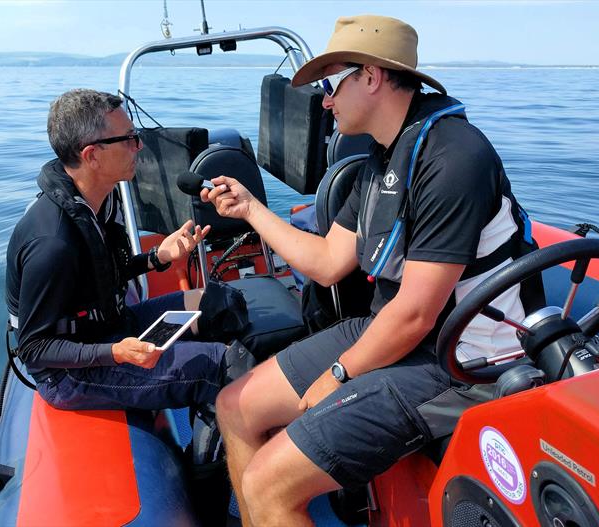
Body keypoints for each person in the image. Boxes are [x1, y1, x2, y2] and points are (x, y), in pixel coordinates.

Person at [202, 14, 542, 526]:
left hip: (459, 359)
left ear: (372, 76)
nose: (326, 100)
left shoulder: (454, 157)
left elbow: (416, 315)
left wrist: (337, 375)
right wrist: (251, 209)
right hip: (398, 333)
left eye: (333, 83)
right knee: (235, 406)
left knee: (268, 482)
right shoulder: (380, 162)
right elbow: (326, 264)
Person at [5, 89, 252, 414]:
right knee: (224, 364)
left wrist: (157, 257)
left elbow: (100, 275)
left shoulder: (99, 202)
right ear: (92, 155)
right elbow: (34, 348)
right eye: (130, 139)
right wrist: (115, 353)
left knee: (222, 303)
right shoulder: (52, 243)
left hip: (112, 325)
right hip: (71, 373)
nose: (139, 146)